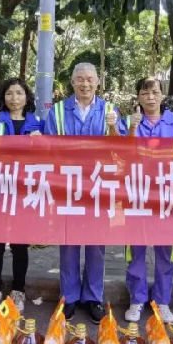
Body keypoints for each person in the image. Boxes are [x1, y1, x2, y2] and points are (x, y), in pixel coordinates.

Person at [43, 62, 125, 322]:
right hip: (67, 187)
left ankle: (93, 297)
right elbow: (48, 149)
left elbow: (121, 149)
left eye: (90, 79)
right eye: (80, 79)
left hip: (98, 187)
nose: (85, 84)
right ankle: (68, 297)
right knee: (68, 242)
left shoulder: (110, 110)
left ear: (98, 82)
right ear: (72, 82)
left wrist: (113, 128)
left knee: (96, 244)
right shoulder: (57, 111)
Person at [122, 77, 173, 324]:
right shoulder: (128, 122)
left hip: (168, 198)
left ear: (163, 95)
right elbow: (116, 153)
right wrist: (131, 130)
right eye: (145, 93)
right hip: (136, 196)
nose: (150, 97)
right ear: (138, 97)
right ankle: (137, 300)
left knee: (167, 253)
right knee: (135, 251)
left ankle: (162, 301)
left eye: (155, 92)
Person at [0, 77, 43, 315]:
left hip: (24, 191)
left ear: (27, 97)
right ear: (2, 98)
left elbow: (49, 155)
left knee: (19, 244)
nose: (14, 98)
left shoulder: (38, 122)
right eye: (9, 93)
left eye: (19, 93)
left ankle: (18, 290)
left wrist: (42, 144)